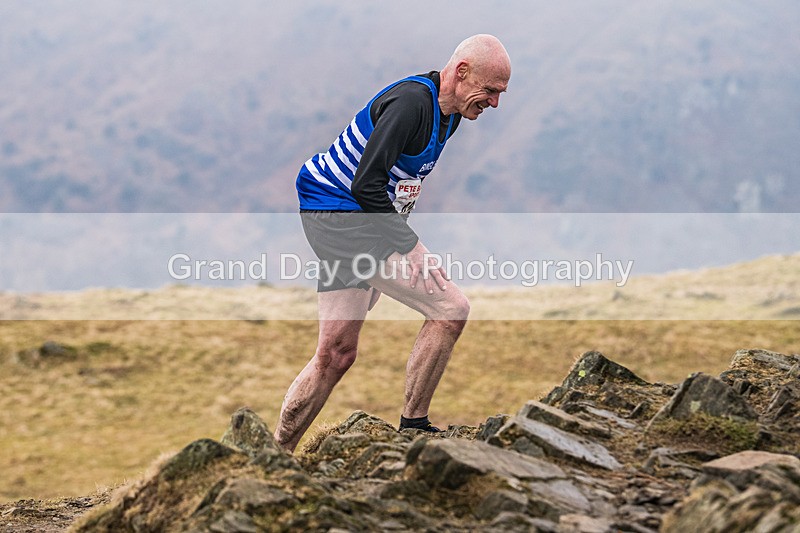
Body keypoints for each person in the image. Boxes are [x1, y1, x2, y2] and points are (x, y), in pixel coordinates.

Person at [274, 34, 511, 452]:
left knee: (336, 353)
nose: (493, 103)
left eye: (499, 94)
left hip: (348, 215)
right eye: (490, 91)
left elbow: (402, 183)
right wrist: (409, 247)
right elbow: (367, 183)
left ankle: (274, 456)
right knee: (450, 309)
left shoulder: (450, 114)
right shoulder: (411, 105)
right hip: (340, 213)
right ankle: (414, 428)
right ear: (461, 73)